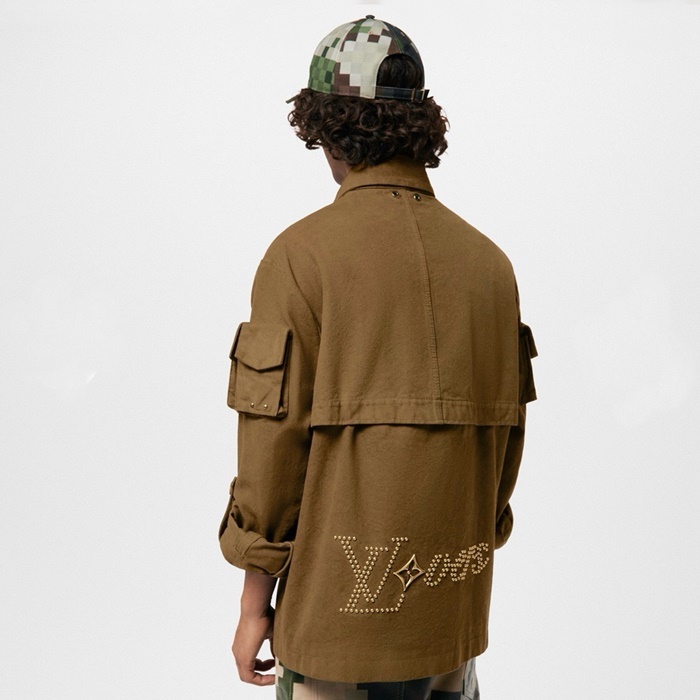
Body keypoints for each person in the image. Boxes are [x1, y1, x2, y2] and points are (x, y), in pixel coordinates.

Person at [218, 15, 538, 700]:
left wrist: (253, 604)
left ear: (325, 128)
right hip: (451, 624)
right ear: (419, 122)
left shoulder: (301, 258)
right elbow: (505, 456)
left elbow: (272, 452)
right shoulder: (491, 267)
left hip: (336, 638)